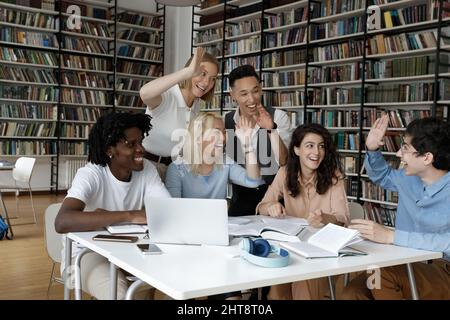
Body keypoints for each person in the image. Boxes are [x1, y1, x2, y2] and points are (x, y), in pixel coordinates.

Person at [55, 112, 171, 300]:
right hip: (84, 256)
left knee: (176, 285)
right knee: (118, 294)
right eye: (131, 144)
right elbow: (62, 221)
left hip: (132, 249)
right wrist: (129, 216)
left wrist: (107, 216)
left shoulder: (147, 169)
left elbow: (168, 211)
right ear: (110, 150)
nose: (141, 149)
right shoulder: (91, 173)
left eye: (140, 142)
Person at [340, 115, 450, 300]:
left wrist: (391, 236)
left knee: (382, 274)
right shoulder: (407, 178)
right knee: (351, 293)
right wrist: (372, 149)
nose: (399, 154)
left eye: (405, 148)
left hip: (441, 269)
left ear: (427, 158)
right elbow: (381, 176)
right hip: (400, 260)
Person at [256, 123, 349, 300]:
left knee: (303, 283)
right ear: (297, 149)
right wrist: (270, 207)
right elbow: (261, 206)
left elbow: (342, 219)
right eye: (310, 145)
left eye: (321, 146)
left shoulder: (334, 177)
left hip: (321, 253)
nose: (316, 152)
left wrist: (325, 218)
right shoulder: (284, 173)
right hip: (291, 248)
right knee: (276, 286)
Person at [139, 47, 219, 180]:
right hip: (147, 167)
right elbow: (144, 93)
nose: (206, 83)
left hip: (173, 170)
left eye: (213, 79)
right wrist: (186, 72)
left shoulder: (196, 106)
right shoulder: (168, 96)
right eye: (202, 73)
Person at [225, 65, 290, 216]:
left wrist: (270, 129)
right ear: (232, 95)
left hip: (275, 200)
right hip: (240, 199)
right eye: (244, 94)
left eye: (255, 91)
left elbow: (284, 161)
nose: (252, 99)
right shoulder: (226, 121)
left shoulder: (278, 117)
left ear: (260, 89)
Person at [165, 112, 264, 199]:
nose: (222, 138)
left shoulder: (225, 163)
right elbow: (174, 208)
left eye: (224, 132)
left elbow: (253, 182)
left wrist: (247, 144)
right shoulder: (177, 169)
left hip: (218, 220)